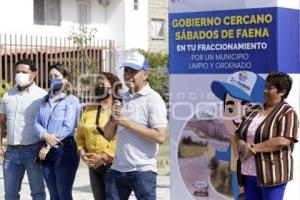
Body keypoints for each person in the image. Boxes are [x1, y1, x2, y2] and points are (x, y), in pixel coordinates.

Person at [104, 52, 168, 200]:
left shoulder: (153, 99)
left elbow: (160, 136)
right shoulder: (122, 97)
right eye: (126, 70)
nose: (128, 75)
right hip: (117, 170)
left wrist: (127, 123)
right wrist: (113, 118)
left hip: (142, 171)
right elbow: (107, 135)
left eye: (133, 71)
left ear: (145, 75)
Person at [235, 72, 299, 200]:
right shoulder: (254, 109)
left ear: (282, 91)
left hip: (271, 173)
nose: (265, 90)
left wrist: (254, 148)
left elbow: (283, 140)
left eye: (270, 88)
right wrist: (242, 144)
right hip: (248, 172)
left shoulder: (288, 112)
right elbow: (239, 133)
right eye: (265, 86)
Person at [211, 71, 265, 200]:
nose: (235, 116)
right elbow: (230, 156)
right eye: (230, 109)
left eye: (245, 108)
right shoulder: (233, 141)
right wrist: (214, 152)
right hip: (237, 181)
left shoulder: (262, 139)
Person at [0, 59, 47, 200]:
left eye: (24, 72)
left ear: (34, 73)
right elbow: (1, 122)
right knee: (10, 195)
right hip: (11, 152)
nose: (20, 74)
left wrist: (45, 146)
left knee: (38, 193)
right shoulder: (8, 95)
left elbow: (47, 124)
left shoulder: (42, 95)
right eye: (18, 72)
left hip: (33, 150)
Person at [33, 63, 81, 200]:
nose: (53, 79)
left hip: (65, 150)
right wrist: (45, 135)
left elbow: (68, 127)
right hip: (46, 152)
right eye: (50, 76)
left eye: (57, 76)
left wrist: (48, 145)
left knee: (63, 194)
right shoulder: (44, 100)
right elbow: (36, 123)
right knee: (53, 195)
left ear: (66, 79)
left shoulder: (72, 101)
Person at [76, 72, 121, 200]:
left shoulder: (117, 110)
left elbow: (119, 137)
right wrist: (83, 153)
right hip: (94, 166)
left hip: (112, 165)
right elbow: (80, 136)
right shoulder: (88, 110)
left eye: (102, 84)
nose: (99, 87)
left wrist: (103, 157)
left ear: (112, 89)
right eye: (97, 85)